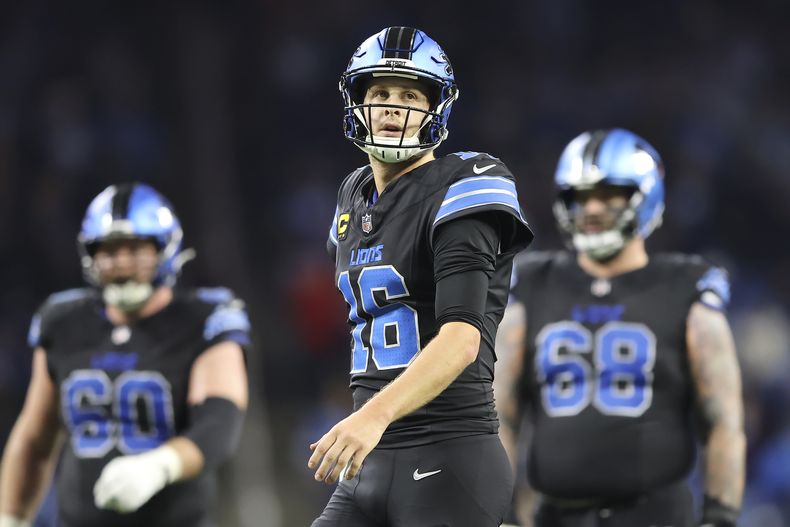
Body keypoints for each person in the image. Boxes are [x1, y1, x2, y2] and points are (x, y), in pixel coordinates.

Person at [308, 26, 534, 527]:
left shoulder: (463, 185)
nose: (392, 107)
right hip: (368, 463)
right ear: (356, 103)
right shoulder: (354, 195)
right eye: (379, 93)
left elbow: (460, 340)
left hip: (447, 454)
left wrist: (371, 416)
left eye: (410, 95)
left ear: (437, 109)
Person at [497, 128, 745, 527]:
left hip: (655, 515)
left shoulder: (687, 286)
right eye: (580, 197)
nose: (592, 209)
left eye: (608, 195)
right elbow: (498, 412)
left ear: (645, 195)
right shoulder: (532, 282)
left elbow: (724, 422)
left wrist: (720, 516)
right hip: (556, 515)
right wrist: (502, 514)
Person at [0, 183, 250, 527]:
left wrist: (160, 465)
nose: (121, 263)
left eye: (135, 249)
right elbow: (34, 439)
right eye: (109, 251)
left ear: (165, 248)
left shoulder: (205, 318)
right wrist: (11, 518)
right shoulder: (62, 320)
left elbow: (218, 423)